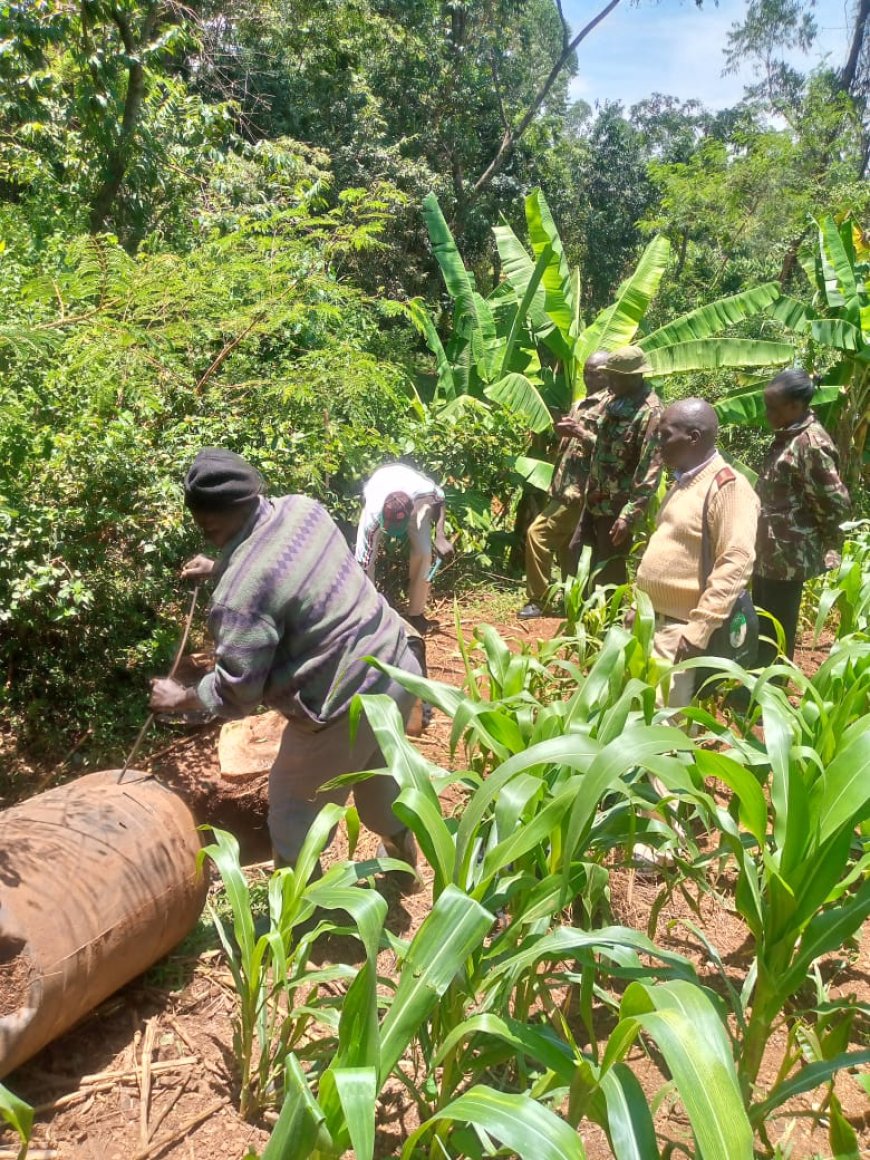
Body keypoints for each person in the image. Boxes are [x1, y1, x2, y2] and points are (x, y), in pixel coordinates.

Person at [148, 448, 422, 881]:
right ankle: (406, 868)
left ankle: (296, 922)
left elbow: (236, 695)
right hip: (397, 666)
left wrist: (180, 696)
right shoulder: (304, 509)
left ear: (206, 522)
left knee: (293, 813)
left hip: (340, 708)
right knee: (379, 783)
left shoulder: (239, 598)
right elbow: (280, 570)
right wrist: (222, 566)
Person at [635, 399, 759, 708]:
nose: (658, 444)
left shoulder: (728, 487)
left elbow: (737, 561)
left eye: (665, 436)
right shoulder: (683, 481)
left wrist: (700, 629)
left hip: (680, 633)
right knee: (638, 722)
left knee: (666, 734)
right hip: (653, 625)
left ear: (693, 437)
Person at [753, 368, 851, 663]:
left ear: (795, 407)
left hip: (788, 556)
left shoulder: (811, 443)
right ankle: (753, 685)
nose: (767, 414)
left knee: (777, 628)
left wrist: (824, 540)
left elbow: (835, 502)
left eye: (773, 408)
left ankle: (769, 693)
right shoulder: (787, 435)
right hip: (769, 552)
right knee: (762, 620)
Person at [518, 351, 610, 620]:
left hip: (578, 490)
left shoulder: (611, 406)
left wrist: (581, 433)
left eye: (595, 372)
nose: (588, 376)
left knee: (538, 534)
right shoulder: (582, 403)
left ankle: (539, 599)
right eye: (587, 371)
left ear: (607, 374)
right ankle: (573, 597)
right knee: (568, 546)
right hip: (563, 486)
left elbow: (611, 449)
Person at [575, 345, 662, 588]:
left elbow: (649, 472)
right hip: (594, 499)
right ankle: (583, 615)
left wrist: (628, 515)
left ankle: (609, 622)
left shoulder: (650, 413)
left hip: (616, 506)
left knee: (609, 570)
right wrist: (581, 434)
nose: (609, 381)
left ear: (634, 378)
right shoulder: (615, 401)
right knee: (578, 554)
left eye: (615, 377)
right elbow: (607, 449)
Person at [355, 462, 454, 633]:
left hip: (416, 505)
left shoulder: (423, 491)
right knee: (364, 563)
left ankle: (416, 614)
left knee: (424, 553)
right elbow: (363, 564)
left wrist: (440, 535)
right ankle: (369, 614)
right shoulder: (373, 516)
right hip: (382, 495)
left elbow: (440, 500)